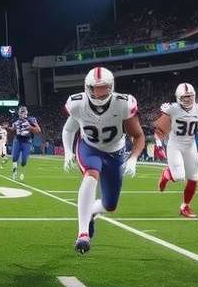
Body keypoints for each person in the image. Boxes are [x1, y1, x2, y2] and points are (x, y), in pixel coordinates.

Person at [62, 66, 145, 255]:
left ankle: (91, 212)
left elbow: (138, 136)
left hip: (115, 152)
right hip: (89, 147)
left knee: (110, 205)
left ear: (112, 87)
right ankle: (83, 234)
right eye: (95, 88)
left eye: (104, 88)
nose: (99, 93)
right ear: (87, 88)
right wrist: (68, 151)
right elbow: (69, 129)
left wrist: (133, 158)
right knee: (91, 174)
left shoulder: (123, 103)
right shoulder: (77, 103)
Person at [154, 84, 198, 218]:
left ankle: (185, 206)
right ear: (178, 98)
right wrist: (158, 145)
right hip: (175, 145)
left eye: (190, 96)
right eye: (184, 97)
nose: (187, 99)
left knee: (193, 178)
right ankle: (166, 174)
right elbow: (159, 130)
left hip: (190, 145)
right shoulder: (172, 109)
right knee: (179, 176)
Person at [7, 106, 40, 181]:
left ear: (27, 112)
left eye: (24, 111)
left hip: (27, 142)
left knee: (24, 161)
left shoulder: (31, 119)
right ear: (19, 113)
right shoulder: (16, 120)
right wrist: (6, 128)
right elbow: (12, 129)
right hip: (17, 141)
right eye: (21, 112)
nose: (23, 113)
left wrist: (30, 128)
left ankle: (21, 170)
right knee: (14, 158)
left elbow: (38, 130)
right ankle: (14, 173)